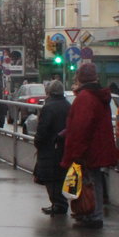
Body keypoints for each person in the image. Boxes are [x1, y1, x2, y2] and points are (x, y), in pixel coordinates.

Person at [61, 63, 117, 229]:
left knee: (87, 182)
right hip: (98, 147)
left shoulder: (85, 98)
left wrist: (76, 152)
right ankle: (92, 213)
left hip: (88, 149)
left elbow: (81, 127)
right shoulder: (99, 96)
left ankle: (91, 215)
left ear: (80, 78)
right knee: (94, 181)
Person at [33, 80, 69, 216]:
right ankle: (60, 203)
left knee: (50, 178)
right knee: (60, 177)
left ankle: (58, 204)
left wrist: (38, 142)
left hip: (49, 147)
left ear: (48, 93)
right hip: (63, 147)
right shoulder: (67, 105)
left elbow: (42, 129)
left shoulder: (48, 107)